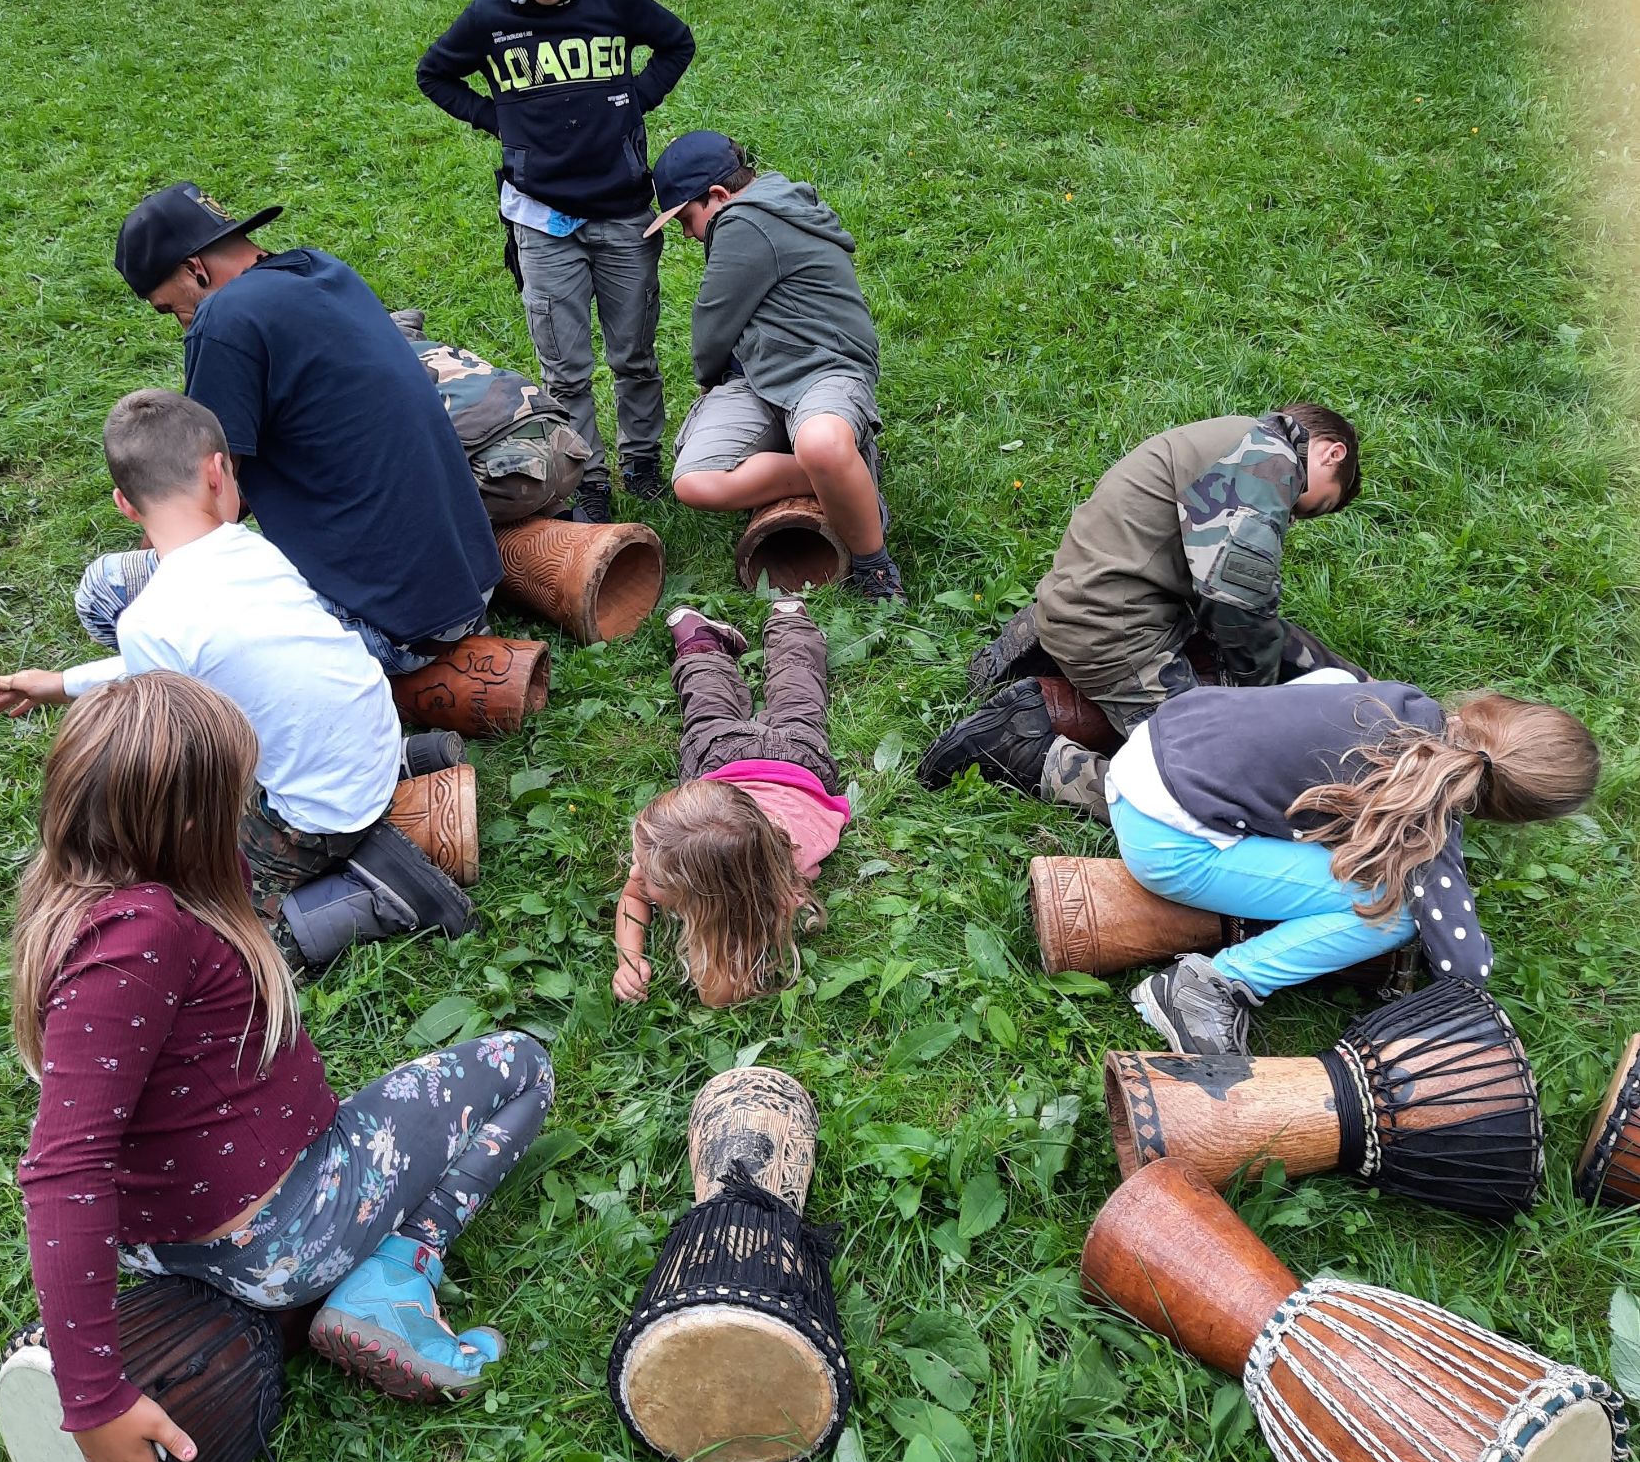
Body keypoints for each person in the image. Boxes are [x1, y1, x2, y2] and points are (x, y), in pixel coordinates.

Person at [11, 671, 554, 1462]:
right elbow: (63, 1165)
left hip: (168, 1245)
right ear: (188, 822)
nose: (255, 805)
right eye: (242, 793)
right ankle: (395, 1272)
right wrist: (91, 1396)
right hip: (283, 1229)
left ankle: (319, 1276)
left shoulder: (72, 895)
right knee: (522, 1065)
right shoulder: (143, 934)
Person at [0, 390, 476, 969]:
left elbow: (176, 767)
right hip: (373, 733)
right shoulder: (255, 550)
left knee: (216, 925)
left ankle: (383, 893)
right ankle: (412, 763)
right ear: (219, 472)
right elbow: (170, 668)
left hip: (320, 810)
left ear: (124, 504)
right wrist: (61, 682)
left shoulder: (149, 621)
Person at [111, 181, 504, 676]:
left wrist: (153, 558)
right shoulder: (324, 270)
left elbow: (200, 503)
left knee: (111, 589)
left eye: (171, 308)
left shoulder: (223, 317)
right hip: (473, 587)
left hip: (391, 629)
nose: (182, 325)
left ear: (196, 270)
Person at [1104, 671, 1600, 1055]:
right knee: (1390, 910)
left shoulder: (1404, 703)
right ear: (1509, 812)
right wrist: (1477, 1014)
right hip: (1166, 839)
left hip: (1161, 740)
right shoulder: (1425, 812)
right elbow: (1461, 962)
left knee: (1334, 686)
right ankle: (1212, 986)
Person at [417, 0, 694, 524]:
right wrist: (498, 119)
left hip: (625, 211)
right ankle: (588, 476)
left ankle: (642, 462)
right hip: (541, 222)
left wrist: (635, 101)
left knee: (633, 353)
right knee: (564, 366)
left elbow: (675, 42)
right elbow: (434, 73)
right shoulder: (489, 18)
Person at [918, 407, 1364, 809]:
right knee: (1214, 777)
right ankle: (1032, 755)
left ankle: (1040, 648)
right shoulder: (1271, 462)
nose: (1297, 516)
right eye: (1317, 504)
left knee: (1278, 643)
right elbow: (1237, 605)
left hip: (1083, 593)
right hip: (1113, 629)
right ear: (1331, 453)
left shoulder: (1229, 437)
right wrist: (1249, 698)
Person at [647, 132, 906, 605]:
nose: (687, 233)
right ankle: (845, 478)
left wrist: (707, 378)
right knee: (693, 480)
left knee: (822, 442)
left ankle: (874, 565)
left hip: (822, 368)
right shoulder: (765, 206)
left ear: (719, 197)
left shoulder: (744, 221)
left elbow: (713, 320)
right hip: (758, 374)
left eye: (687, 218)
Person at [613, 602, 851, 1007]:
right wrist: (628, 958)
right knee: (732, 707)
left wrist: (709, 937)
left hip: (768, 765)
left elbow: (718, 996)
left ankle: (742, 633)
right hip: (751, 764)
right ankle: (782, 623)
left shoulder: (777, 897)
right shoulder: (731, 870)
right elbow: (634, 895)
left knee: (779, 702)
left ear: (707, 898)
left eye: (650, 873)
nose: (636, 873)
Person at [390, 308, 591, 526]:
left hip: (508, 476)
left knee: (403, 508)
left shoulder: (391, 374)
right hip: (570, 452)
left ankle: (484, 553)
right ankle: (572, 530)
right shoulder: (448, 354)